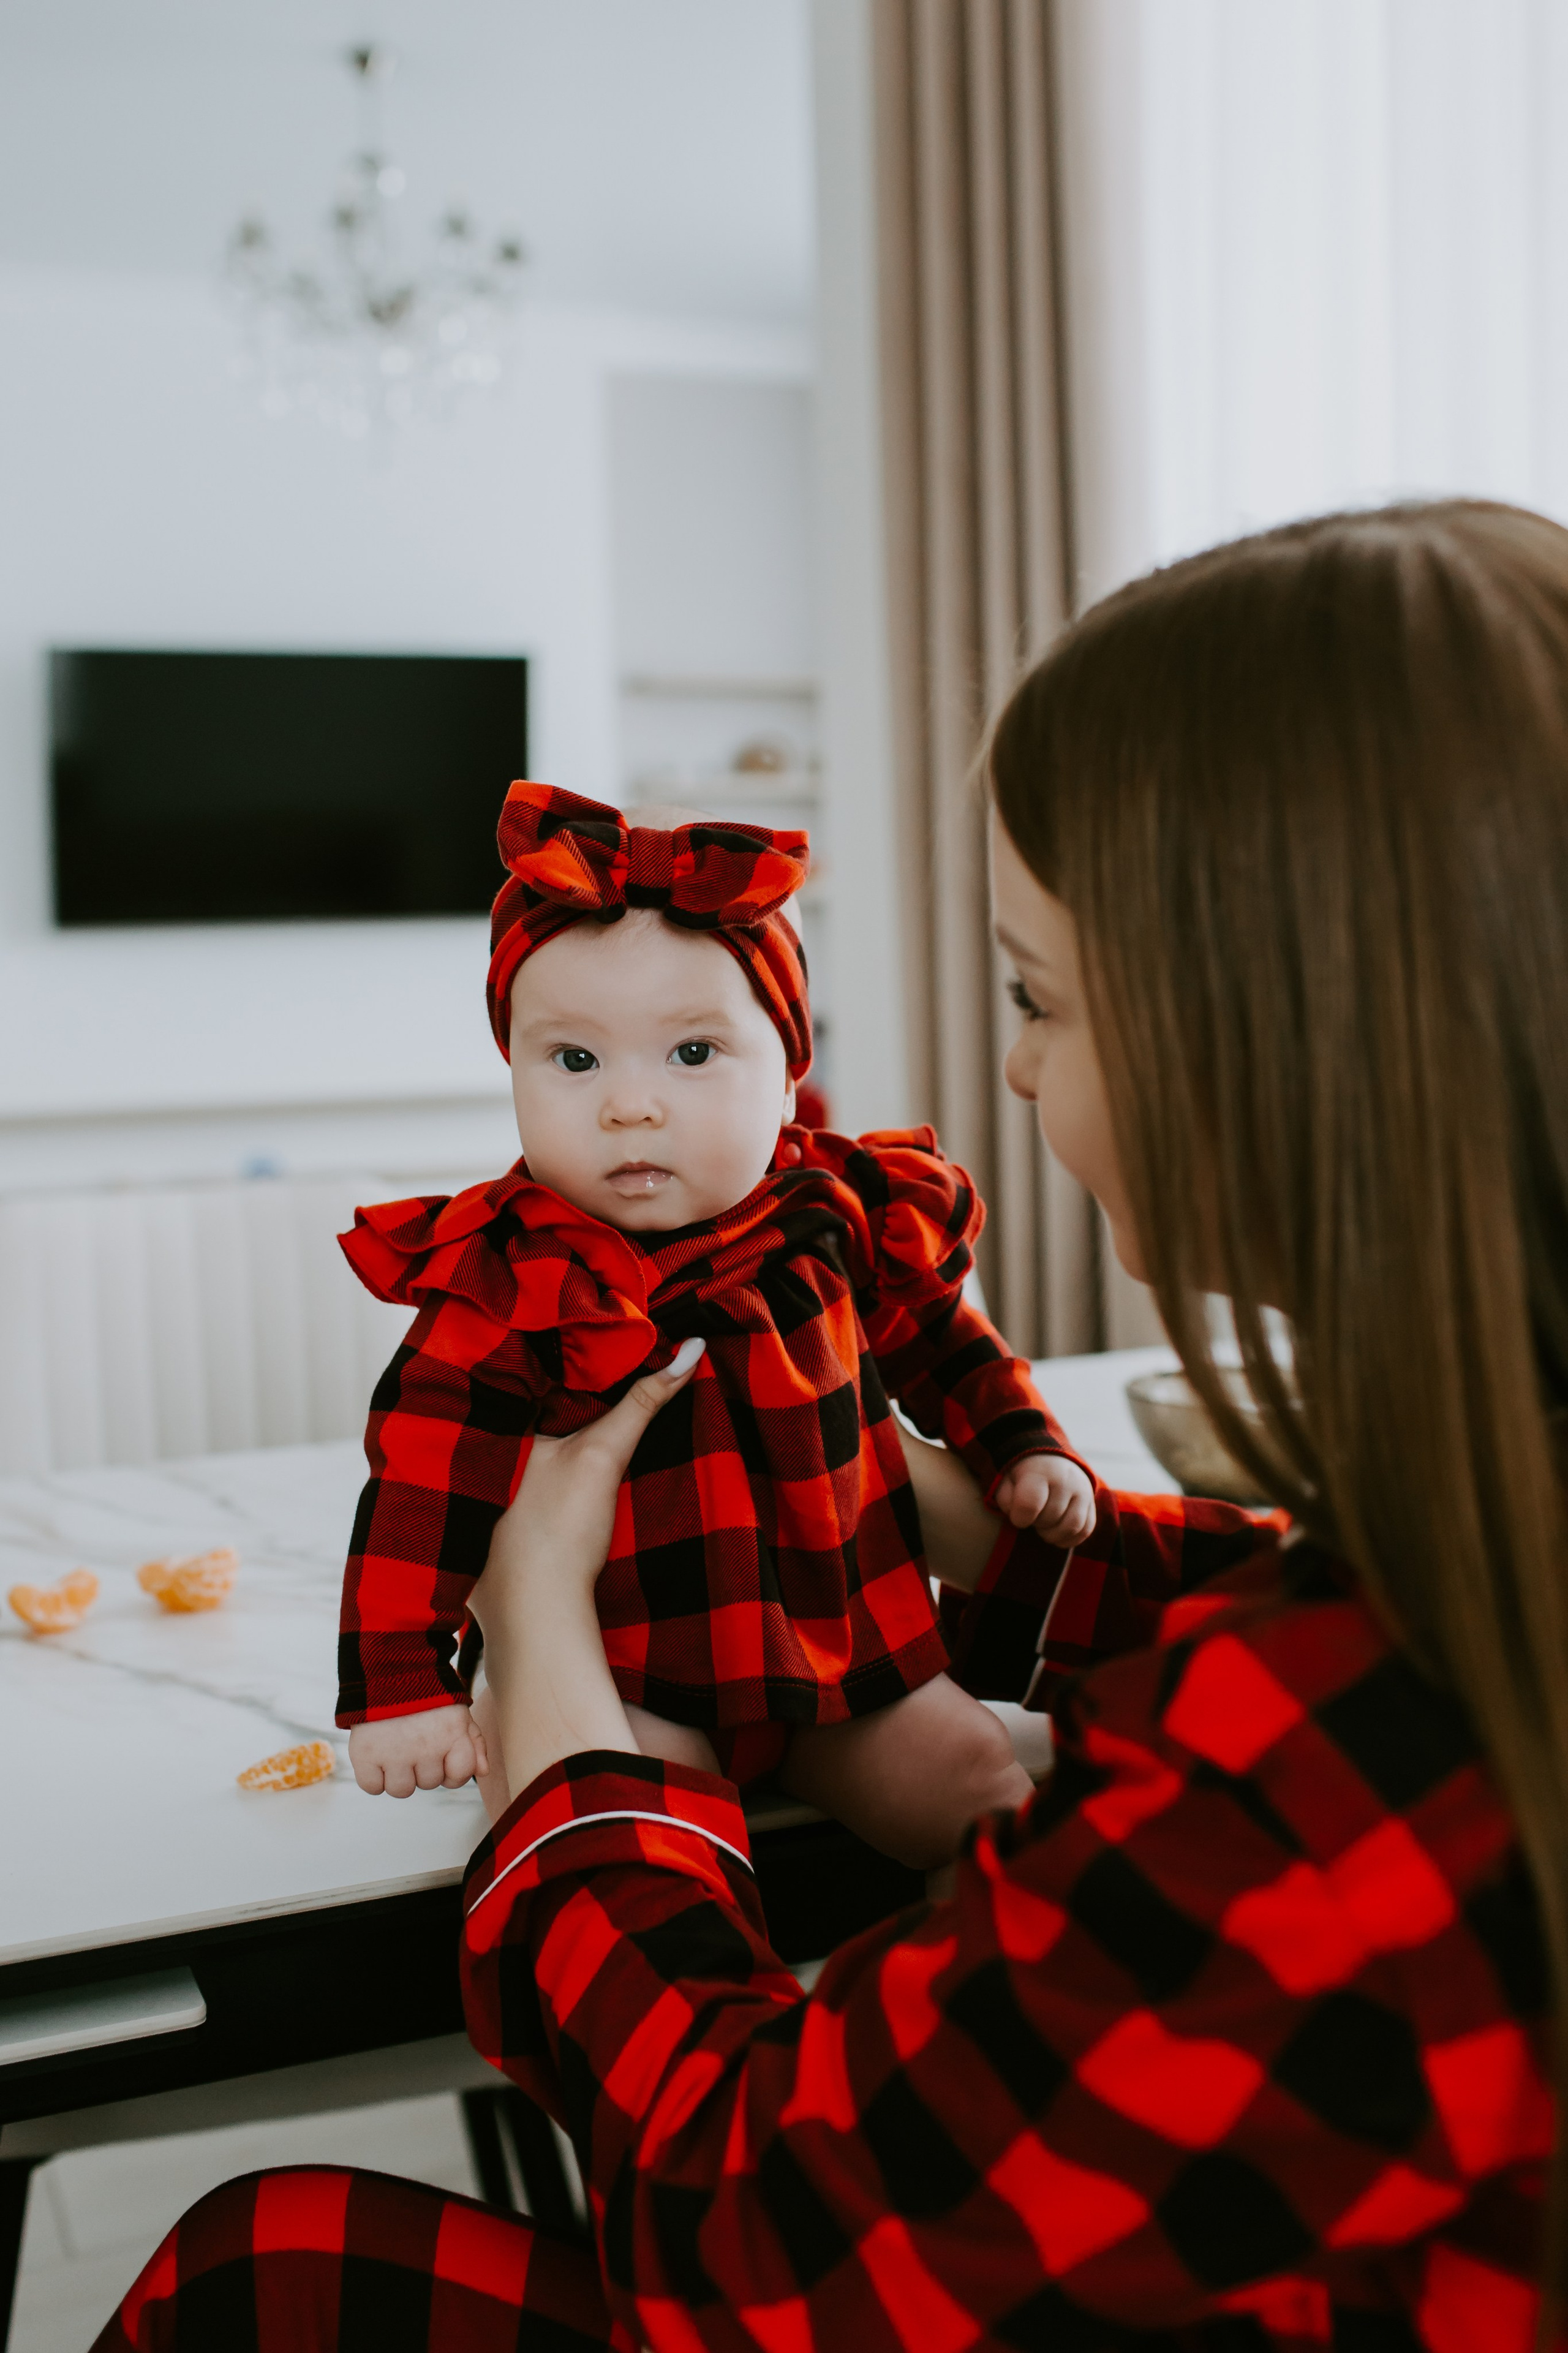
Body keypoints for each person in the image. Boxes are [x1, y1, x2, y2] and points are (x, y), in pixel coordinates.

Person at [94, 500, 1561, 2351]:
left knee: (266, 2271)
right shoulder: (1449, 1592)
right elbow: (1309, 1602)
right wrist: (964, 1512)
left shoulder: (1312, 1770)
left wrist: (550, 1688)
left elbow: (744, 2229)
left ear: (1292, 1038)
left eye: (1037, 996)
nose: (1012, 1063)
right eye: (574, 1060)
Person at [337, 781, 1095, 1865]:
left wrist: (1021, 1441)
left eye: (693, 1054)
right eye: (575, 1059)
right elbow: (420, 1484)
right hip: (630, 1674)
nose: (630, 1105)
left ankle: (996, 1948)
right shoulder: (508, 1275)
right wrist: (401, 1683)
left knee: (974, 1773)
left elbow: (944, 1336)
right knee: (619, 1810)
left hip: (842, 1655)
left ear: (789, 1078)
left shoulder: (838, 1212)